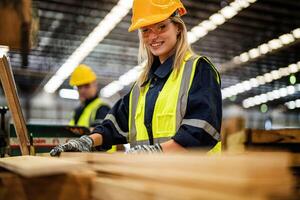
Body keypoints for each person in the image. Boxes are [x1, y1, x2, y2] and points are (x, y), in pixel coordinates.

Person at [50, 0, 222, 156]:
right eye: (146, 30)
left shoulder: (199, 70)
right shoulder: (143, 84)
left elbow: (201, 132)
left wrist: (155, 152)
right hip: (152, 181)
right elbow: (114, 125)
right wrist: (87, 141)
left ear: (177, 27)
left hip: (195, 182)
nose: (153, 36)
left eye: (161, 27)